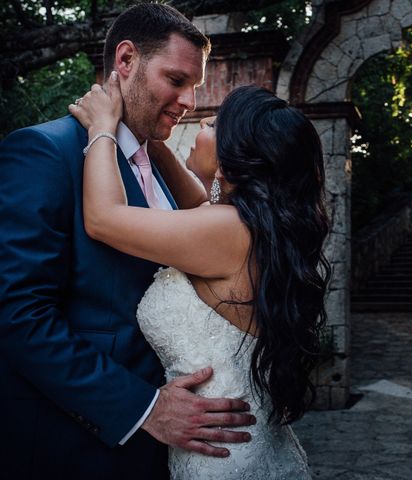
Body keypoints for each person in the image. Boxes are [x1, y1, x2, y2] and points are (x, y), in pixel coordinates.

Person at [0, 4, 255, 479]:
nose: (188, 102)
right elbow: (18, 315)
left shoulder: (163, 165)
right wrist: (143, 408)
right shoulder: (44, 152)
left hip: (172, 451)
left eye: (194, 88)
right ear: (125, 60)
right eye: (176, 80)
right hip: (76, 446)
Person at [70, 75, 330, 478]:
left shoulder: (227, 231)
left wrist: (102, 129)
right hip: (247, 444)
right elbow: (197, 201)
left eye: (216, 124)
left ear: (235, 157)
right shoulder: (256, 228)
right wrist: (149, 137)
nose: (203, 123)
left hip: (222, 458)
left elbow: (103, 219)